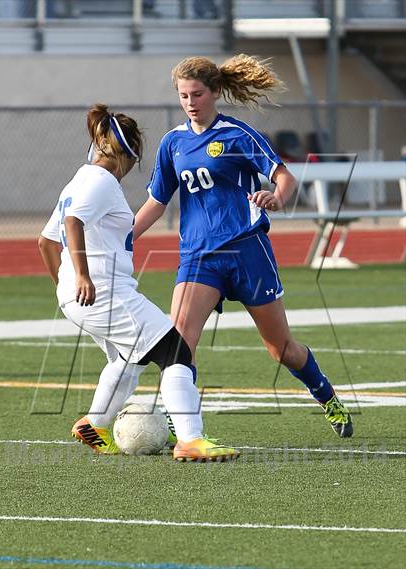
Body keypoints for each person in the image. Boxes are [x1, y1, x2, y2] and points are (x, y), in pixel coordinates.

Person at [134, 55, 353, 438]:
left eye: (197, 93)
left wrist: (277, 198)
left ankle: (326, 395)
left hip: (247, 253)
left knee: (281, 349)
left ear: (215, 92)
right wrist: (126, 236)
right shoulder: (173, 144)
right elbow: (157, 202)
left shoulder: (236, 135)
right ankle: (185, 427)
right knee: (178, 344)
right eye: (183, 95)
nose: (190, 101)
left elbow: (283, 176)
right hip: (199, 257)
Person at [38, 103, 240, 461]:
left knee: (131, 358)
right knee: (176, 351)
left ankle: (95, 424)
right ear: (127, 156)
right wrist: (82, 277)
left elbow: (45, 242)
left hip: (81, 295)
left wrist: (65, 285)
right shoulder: (101, 181)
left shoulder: (79, 178)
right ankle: (191, 440)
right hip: (103, 290)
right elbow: (72, 223)